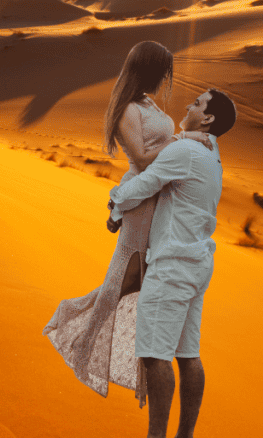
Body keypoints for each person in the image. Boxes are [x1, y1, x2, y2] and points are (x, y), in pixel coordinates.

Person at [43, 41, 212, 406]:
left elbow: (161, 151)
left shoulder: (148, 103)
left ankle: (144, 362)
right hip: (141, 199)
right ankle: (81, 338)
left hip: (161, 199)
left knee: (147, 279)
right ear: (148, 69)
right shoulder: (126, 109)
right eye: (162, 70)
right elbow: (141, 157)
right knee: (127, 278)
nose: (166, 78)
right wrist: (185, 139)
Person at [107, 88, 236, 438]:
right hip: (196, 264)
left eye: (196, 103)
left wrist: (115, 204)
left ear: (207, 118)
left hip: (172, 265)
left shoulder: (186, 151)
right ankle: (185, 435)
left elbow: (145, 184)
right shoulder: (212, 152)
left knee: (154, 355)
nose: (188, 106)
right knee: (187, 354)